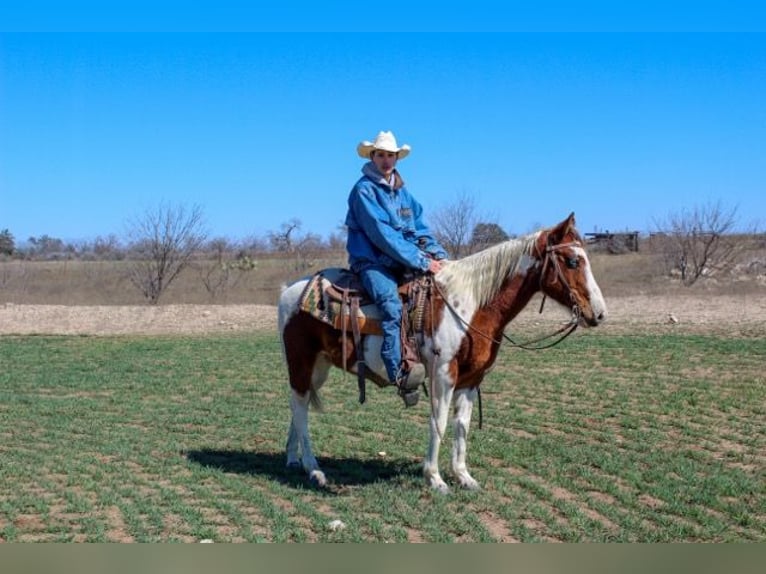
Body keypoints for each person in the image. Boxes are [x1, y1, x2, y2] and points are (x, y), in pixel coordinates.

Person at [344, 130, 448, 401]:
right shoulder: (363, 190)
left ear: (397, 159)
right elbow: (382, 235)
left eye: (391, 155)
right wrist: (422, 260)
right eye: (381, 155)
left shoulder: (403, 194)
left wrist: (439, 255)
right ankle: (398, 371)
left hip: (401, 259)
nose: (386, 160)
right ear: (373, 156)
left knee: (430, 296)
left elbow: (419, 229)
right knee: (391, 305)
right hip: (372, 261)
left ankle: (426, 355)